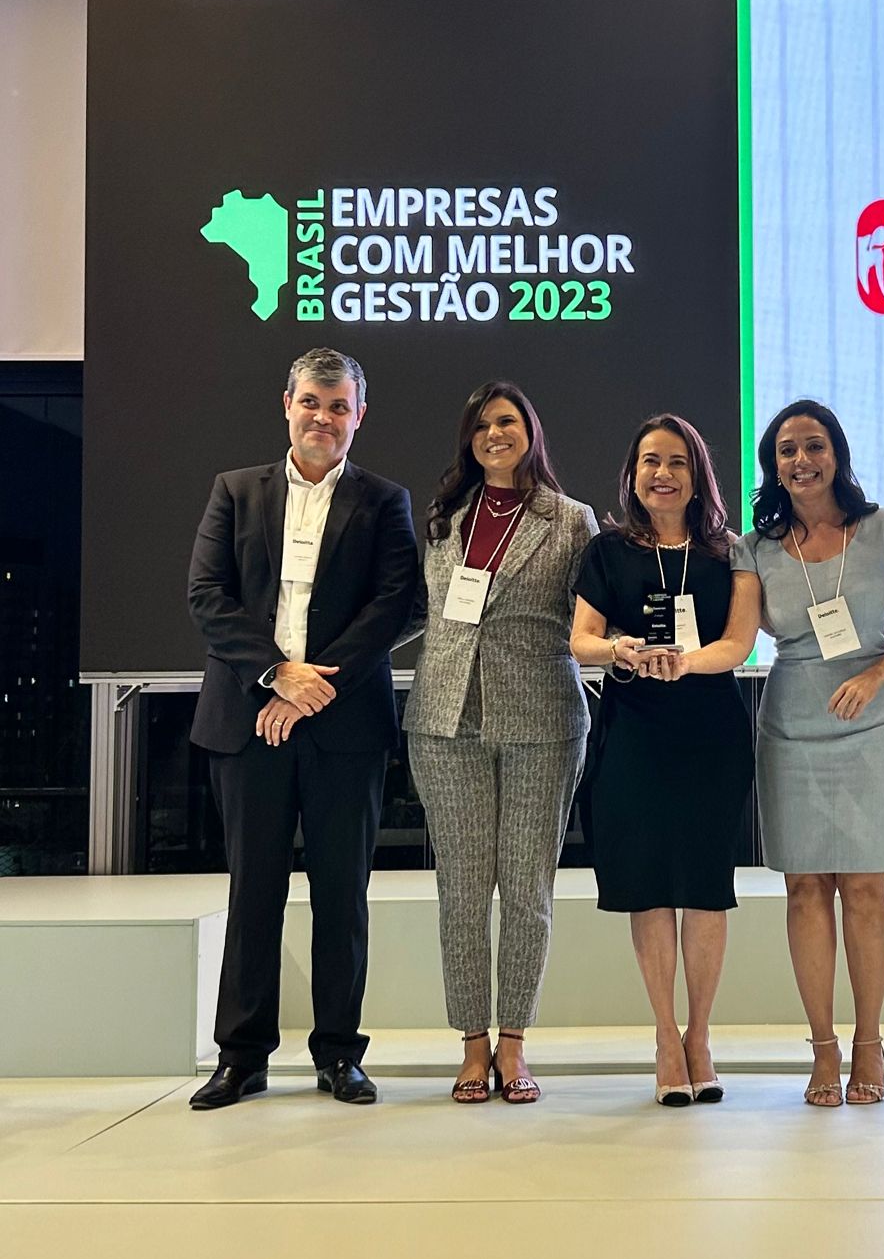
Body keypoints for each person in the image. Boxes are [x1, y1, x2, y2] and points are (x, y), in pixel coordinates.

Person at [186, 348, 419, 1110]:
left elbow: (392, 606)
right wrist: (277, 675)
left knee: (341, 896)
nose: (324, 417)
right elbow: (208, 595)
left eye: (339, 406)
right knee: (253, 891)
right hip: (247, 718)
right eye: (312, 402)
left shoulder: (384, 501)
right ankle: (241, 1057)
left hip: (343, 727)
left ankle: (339, 1055)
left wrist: (314, 688)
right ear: (287, 404)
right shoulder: (234, 490)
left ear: (359, 416)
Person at [732, 400, 884, 1107]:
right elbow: (738, 638)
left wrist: (877, 674)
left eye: (813, 446)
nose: (801, 461)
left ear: (836, 454)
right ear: (772, 466)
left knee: (866, 889)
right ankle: (822, 1048)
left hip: (878, 722)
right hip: (792, 724)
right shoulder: (754, 548)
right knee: (805, 888)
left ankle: (869, 1043)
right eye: (786, 450)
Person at [403, 381, 598, 1105]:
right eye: (482, 424)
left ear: (530, 431)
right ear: (469, 437)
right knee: (460, 891)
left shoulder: (570, 520)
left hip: (541, 720)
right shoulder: (442, 518)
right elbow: (418, 611)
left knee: (526, 889)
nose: (494, 433)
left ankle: (513, 1043)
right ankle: (471, 1045)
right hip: (444, 717)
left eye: (507, 421)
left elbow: (594, 614)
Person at [569, 415, 757, 1105]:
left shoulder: (730, 551)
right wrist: (620, 651)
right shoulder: (607, 550)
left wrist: (682, 663)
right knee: (647, 885)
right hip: (633, 734)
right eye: (650, 460)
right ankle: (664, 1036)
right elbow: (581, 638)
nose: (663, 474)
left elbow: (738, 643)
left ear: (697, 475)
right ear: (633, 473)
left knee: (705, 886)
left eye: (677, 461)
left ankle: (700, 1036)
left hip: (710, 734)